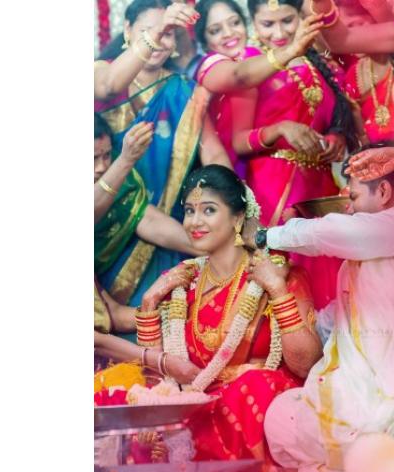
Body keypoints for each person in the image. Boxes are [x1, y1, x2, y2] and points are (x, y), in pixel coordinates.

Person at [247, 158, 394, 472]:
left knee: (338, 443)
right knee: (282, 416)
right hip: (377, 396)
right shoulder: (375, 252)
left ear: (383, 191)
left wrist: (267, 236)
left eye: (353, 197)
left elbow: (340, 233)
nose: (348, 208)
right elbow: (342, 316)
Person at [136, 165, 323, 472]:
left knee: (254, 385)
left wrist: (277, 290)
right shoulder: (181, 282)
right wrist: (149, 301)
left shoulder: (277, 273)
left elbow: (306, 365)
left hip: (255, 411)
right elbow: (157, 377)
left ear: (237, 218)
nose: (194, 221)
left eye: (208, 210)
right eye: (189, 211)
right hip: (193, 407)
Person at [94, 0, 231, 308]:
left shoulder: (184, 90)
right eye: (149, 31)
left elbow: (214, 154)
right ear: (127, 30)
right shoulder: (103, 72)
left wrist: (234, 204)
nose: (159, 41)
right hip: (108, 227)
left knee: (170, 313)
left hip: (168, 229)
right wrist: (159, 28)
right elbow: (108, 86)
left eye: (168, 34)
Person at [227, 0, 357, 310]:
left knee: (328, 274)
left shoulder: (320, 63)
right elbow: (238, 141)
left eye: (287, 20)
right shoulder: (251, 64)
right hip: (273, 189)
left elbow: (337, 119)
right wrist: (279, 129)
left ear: (301, 16)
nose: (279, 32)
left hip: (319, 189)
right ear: (253, 23)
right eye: (267, 24)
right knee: (282, 276)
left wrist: (336, 138)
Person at [94, 113, 203, 343]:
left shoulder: (121, 182)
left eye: (106, 156)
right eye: (92, 159)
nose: (102, 167)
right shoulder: (118, 169)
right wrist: (124, 160)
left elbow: (148, 219)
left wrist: (211, 247)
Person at [193, 0, 325, 177]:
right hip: (231, 170)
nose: (229, 33)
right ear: (203, 40)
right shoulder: (210, 65)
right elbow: (240, 76)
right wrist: (291, 49)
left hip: (274, 168)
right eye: (215, 30)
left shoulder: (258, 60)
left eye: (235, 23)